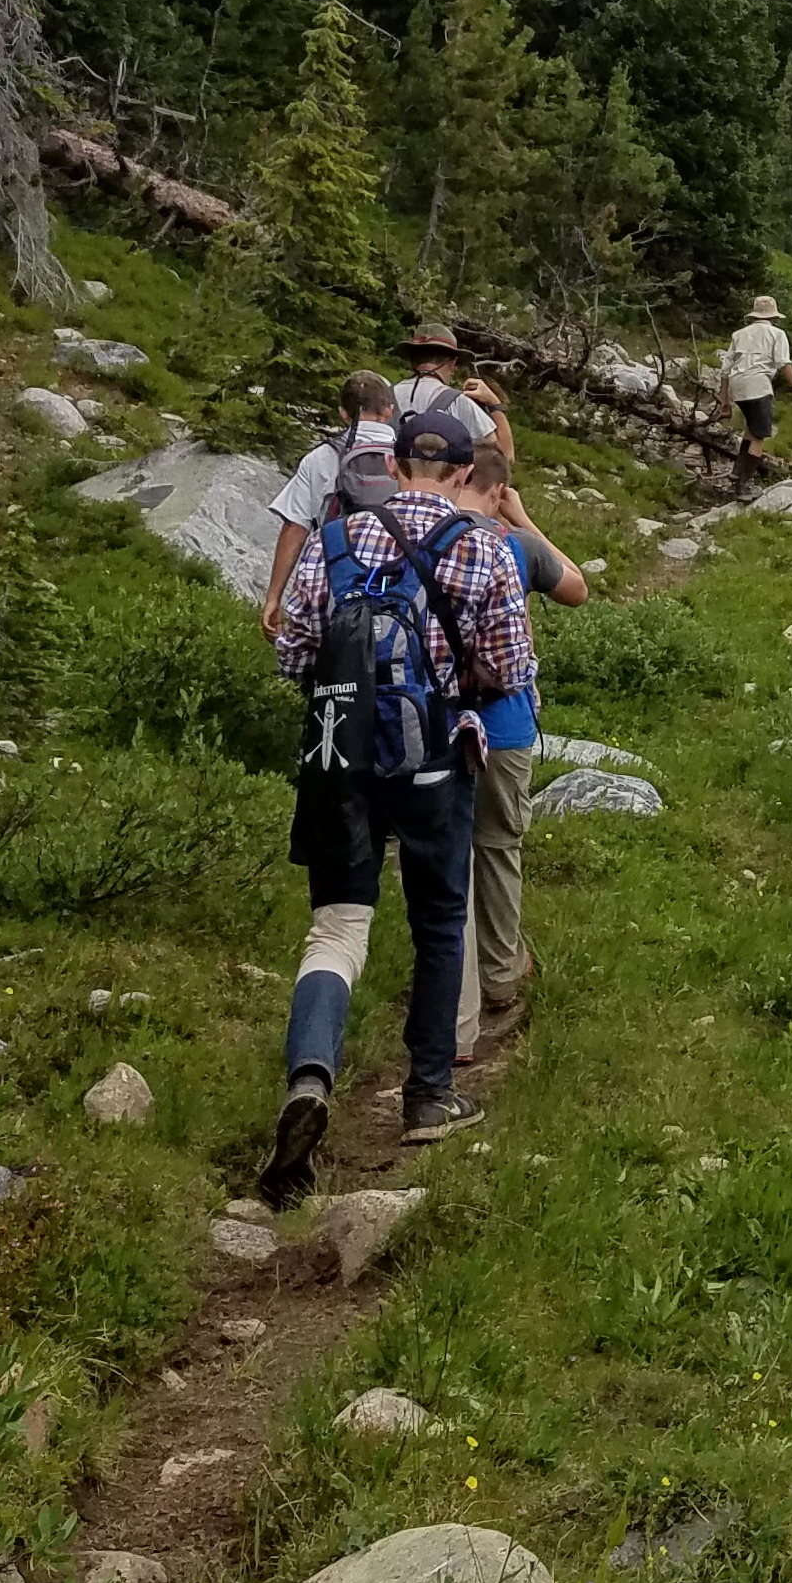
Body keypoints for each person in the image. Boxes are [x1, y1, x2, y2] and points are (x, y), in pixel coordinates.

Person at [257, 403, 531, 1200]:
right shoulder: (481, 545)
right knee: (440, 919)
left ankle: (310, 1078)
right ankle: (429, 1094)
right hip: (434, 761)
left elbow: (295, 653)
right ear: (459, 473)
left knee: (337, 926)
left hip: (340, 760)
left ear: (399, 463)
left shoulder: (335, 538)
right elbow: (509, 668)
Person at [451, 429, 584, 1065]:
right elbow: (577, 588)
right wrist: (525, 519)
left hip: (434, 725)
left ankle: (450, 989)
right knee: (498, 848)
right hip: (502, 726)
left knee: (447, 851)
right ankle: (501, 976)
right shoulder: (514, 545)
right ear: (498, 488)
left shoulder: (423, 538)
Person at [260, 372, 400, 626]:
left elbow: (295, 526)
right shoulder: (407, 458)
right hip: (395, 586)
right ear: (389, 411)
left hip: (333, 588)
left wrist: (274, 597)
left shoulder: (322, 457)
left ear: (343, 413)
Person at [719, 293, 792, 450]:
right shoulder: (777, 334)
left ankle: (738, 471)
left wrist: (724, 400)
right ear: (774, 316)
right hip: (758, 387)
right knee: (759, 436)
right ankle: (742, 474)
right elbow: (783, 363)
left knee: (751, 429)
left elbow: (725, 370)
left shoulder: (738, 334)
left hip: (738, 387)